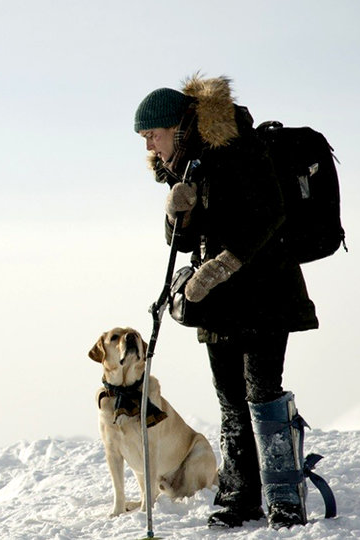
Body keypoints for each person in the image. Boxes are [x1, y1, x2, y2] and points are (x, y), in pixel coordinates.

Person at [132, 74, 319, 530]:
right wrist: (177, 213)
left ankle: (284, 498)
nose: (151, 148)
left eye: (152, 136)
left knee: (262, 394)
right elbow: (185, 241)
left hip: (266, 294)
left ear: (176, 127)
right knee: (231, 399)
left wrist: (221, 266)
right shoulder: (186, 165)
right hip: (218, 303)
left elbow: (270, 213)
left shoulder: (236, 147)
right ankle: (239, 497)